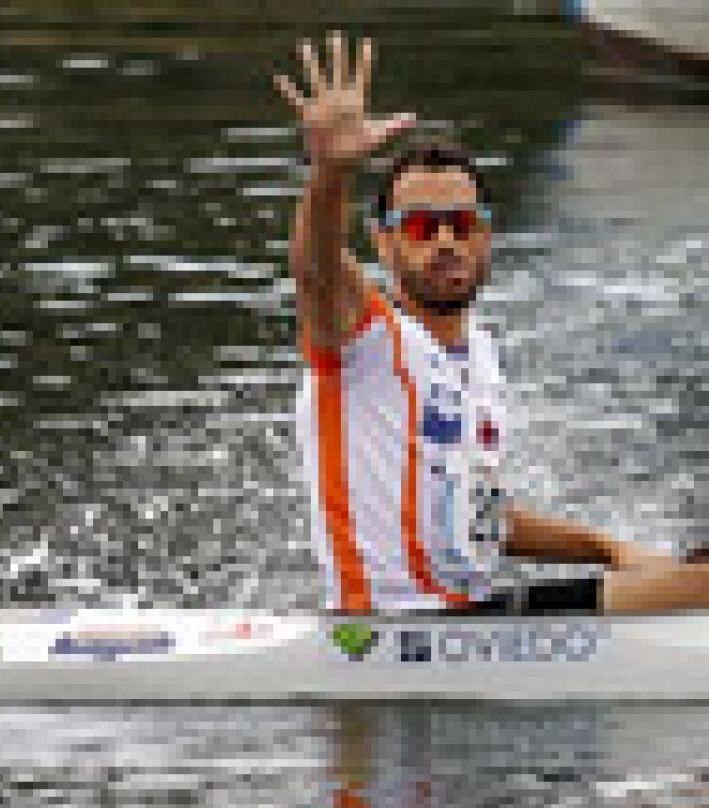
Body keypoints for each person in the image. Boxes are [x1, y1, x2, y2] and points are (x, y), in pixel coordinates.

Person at [275, 33, 706, 614]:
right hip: (390, 626)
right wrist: (330, 172)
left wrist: (605, 547)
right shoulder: (366, 338)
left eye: (460, 223)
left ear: (485, 235)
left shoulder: (479, 354)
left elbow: (475, 519)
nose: (447, 242)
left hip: (473, 616)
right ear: (384, 242)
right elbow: (316, 272)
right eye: (423, 228)